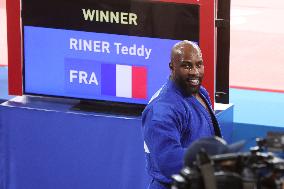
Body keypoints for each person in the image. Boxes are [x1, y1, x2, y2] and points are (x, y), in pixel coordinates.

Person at [141, 40, 222, 189]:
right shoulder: (162, 109)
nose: (195, 72)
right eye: (187, 65)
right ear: (172, 67)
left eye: (199, 64)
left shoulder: (200, 92)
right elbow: (168, 159)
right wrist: (214, 164)